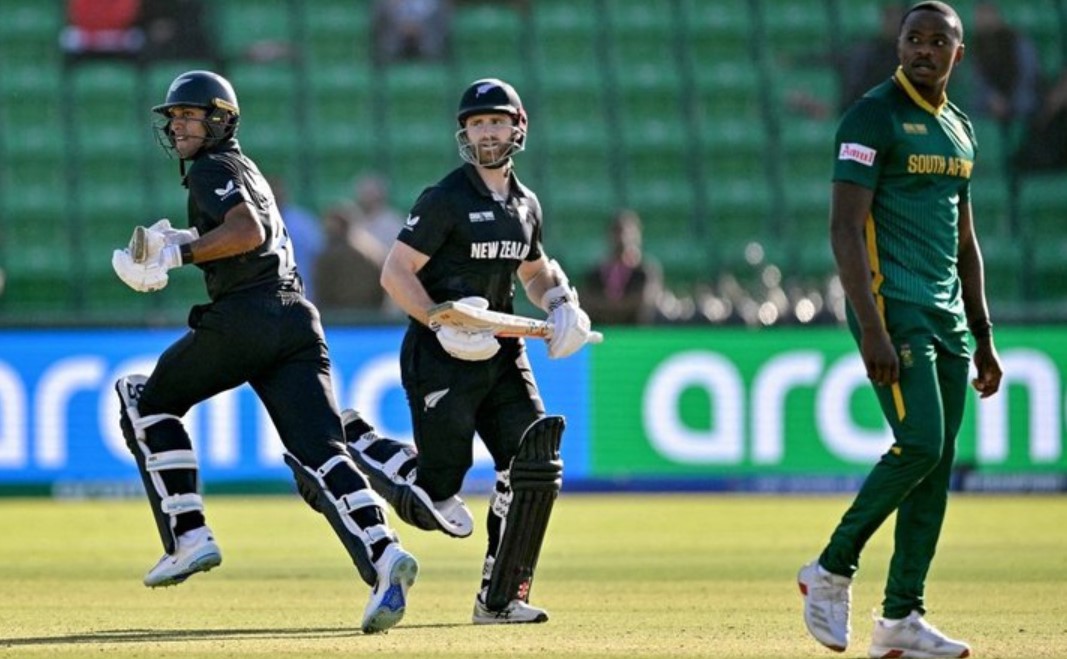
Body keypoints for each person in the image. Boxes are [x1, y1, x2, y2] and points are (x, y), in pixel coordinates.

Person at [109, 70, 418, 634]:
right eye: (173, 117)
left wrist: (177, 258)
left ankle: (188, 534)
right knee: (321, 454)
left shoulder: (211, 167)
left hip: (247, 317)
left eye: (188, 116)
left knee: (143, 401)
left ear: (220, 120)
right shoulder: (245, 168)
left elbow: (246, 231)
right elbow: (250, 232)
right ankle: (383, 554)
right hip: (298, 318)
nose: (177, 126)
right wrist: (176, 241)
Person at [343, 78, 596, 625]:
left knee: (534, 464)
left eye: (496, 122)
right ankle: (359, 442)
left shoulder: (526, 204)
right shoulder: (445, 200)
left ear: (517, 127)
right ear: (465, 133)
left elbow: (532, 269)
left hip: (503, 357)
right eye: (477, 124)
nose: (486, 132)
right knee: (440, 489)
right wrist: (437, 318)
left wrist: (559, 300)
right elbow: (396, 272)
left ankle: (500, 599)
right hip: (441, 357)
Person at [797, 3, 1003, 658]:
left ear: (956, 54)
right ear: (898, 46)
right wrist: (869, 327)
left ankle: (899, 619)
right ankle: (829, 568)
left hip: (948, 323)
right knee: (919, 442)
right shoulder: (871, 115)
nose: (922, 50)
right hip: (897, 313)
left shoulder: (960, 128)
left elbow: (964, 241)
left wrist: (983, 333)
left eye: (936, 41)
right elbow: (841, 227)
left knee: (936, 465)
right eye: (912, 39)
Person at [579, 209, 664, 325]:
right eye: (617, 231)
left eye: (629, 232)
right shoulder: (595, 273)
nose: (622, 237)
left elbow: (645, 302)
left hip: (639, 336)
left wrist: (606, 306)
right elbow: (586, 301)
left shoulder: (646, 270)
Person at [970, 1, 1042, 125]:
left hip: (1019, 97)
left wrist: (1010, 100)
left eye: (987, 14)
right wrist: (992, 98)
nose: (984, 20)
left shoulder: (1018, 41)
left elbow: (1028, 74)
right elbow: (978, 78)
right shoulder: (977, 45)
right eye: (980, 15)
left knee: (1027, 101)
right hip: (992, 102)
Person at [314, 205, 388, 314]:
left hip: (337, 317)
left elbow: (322, 291)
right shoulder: (372, 251)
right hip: (369, 315)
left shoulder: (328, 256)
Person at [268, 176, 324, 303]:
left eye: (278, 191)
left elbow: (319, 258)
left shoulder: (303, 222)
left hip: (303, 294)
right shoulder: (253, 224)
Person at [371, 0, 453, 66]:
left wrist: (419, 28)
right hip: (395, 38)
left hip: (427, 38)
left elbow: (443, 19)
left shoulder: (438, 3)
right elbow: (378, 19)